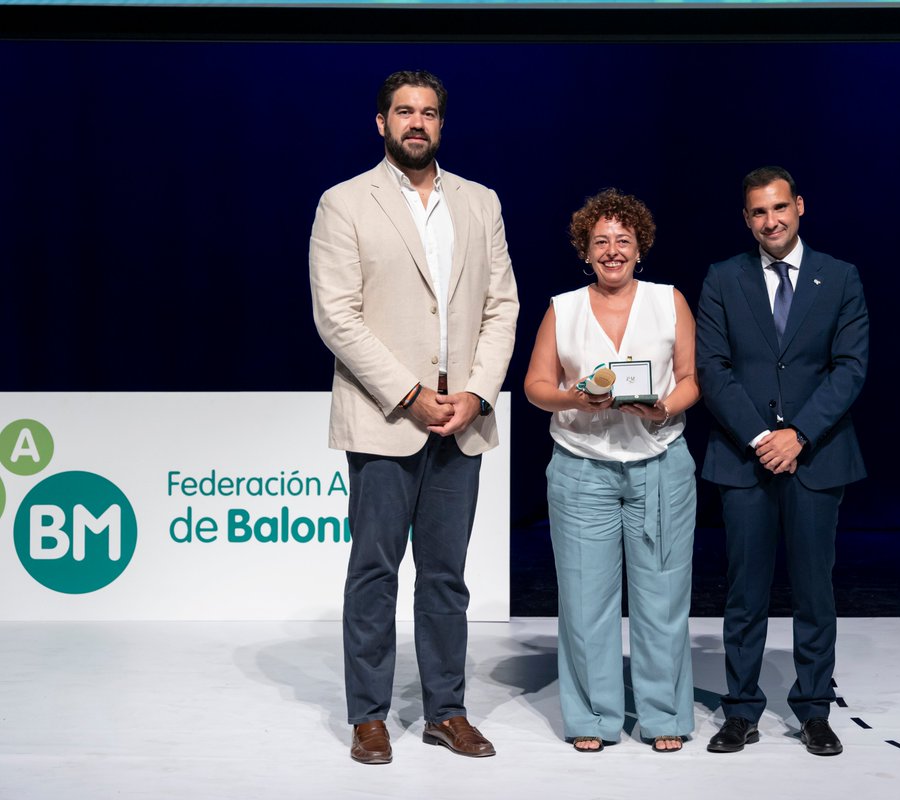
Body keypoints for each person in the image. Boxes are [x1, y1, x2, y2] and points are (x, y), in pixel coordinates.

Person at [309, 70, 519, 764]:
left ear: (441, 124)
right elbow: (337, 317)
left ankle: (446, 711)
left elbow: (501, 307)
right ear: (381, 123)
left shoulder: (479, 202)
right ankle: (368, 715)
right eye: (404, 112)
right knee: (374, 570)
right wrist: (409, 393)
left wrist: (477, 394)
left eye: (428, 113)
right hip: (385, 416)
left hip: (461, 417)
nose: (417, 123)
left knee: (446, 576)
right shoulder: (344, 204)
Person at [696, 166, 867, 757]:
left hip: (816, 457)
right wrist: (761, 437)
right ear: (747, 219)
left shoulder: (840, 278)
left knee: (814, 590)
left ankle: (814, 709)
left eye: (779, 209)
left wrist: (797, 435)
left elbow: (849, 368)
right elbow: (711, 369)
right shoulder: (723, 278)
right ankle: (740, 710)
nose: (770, 221)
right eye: (757, 213)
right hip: (744, 461)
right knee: (745, 591)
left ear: (799, 206)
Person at [524, 189, 700, 753]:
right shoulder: (563, 307)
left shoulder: (668, 300)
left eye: (623, 240)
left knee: (662, 599)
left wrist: (664, 407)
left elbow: (691, 378)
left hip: (660, 467)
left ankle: (663, 714)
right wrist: (574, 397)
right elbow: (535, 387)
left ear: (639, 246)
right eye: (601, 241)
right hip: (582, 471)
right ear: (585, 249)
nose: (612, 250)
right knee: (584, 601)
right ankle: (593, 719)